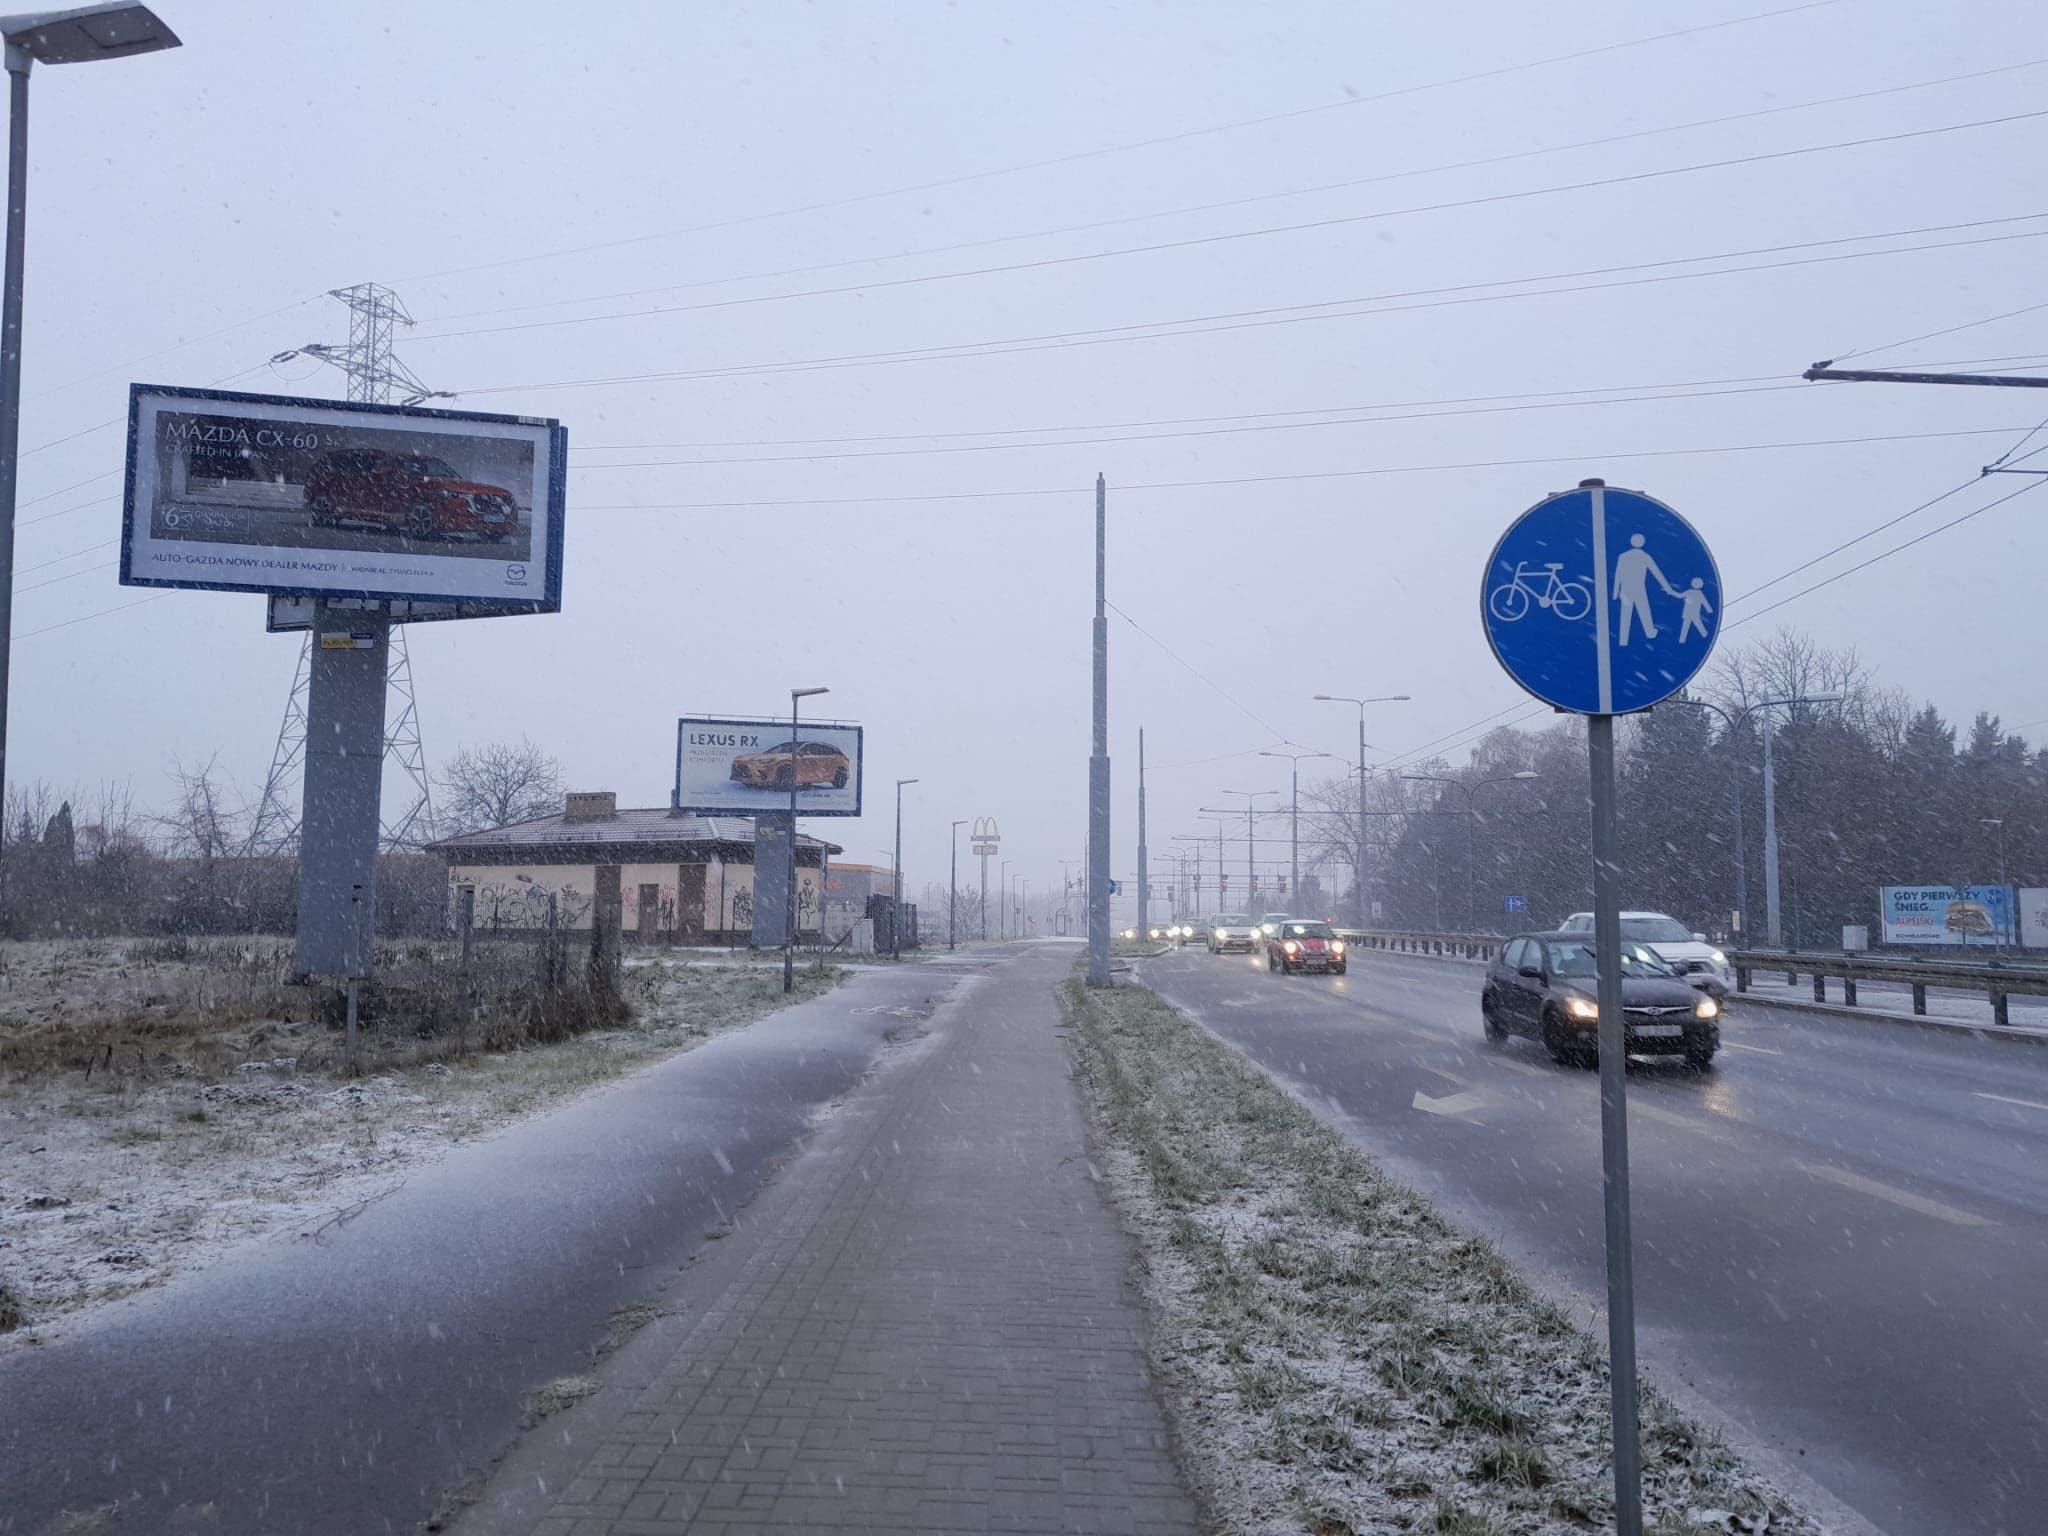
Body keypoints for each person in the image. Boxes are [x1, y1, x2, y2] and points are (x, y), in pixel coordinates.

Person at [1613, 533, 1680, 645]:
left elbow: (1618, 575)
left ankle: (1623, 639)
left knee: (1626, 613)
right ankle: (1649, 632)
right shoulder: (1644, 556)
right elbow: (1657, 574)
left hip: (1626, 589)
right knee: (1644, 611)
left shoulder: (1624, 556)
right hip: (1638, 588)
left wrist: (1616, 592)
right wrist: (1668, 589)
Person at [1679, 576, 1713, 642]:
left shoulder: (1692, 592)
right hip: (1692, 613)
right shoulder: (1696, 593)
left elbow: (1680, 595)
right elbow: (1705, 602)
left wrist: (1709, 610)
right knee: (1692, 625)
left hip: (1691, 613)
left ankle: (1682, 640)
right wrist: (1709, 610)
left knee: (1688, 626)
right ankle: (1704, 635)